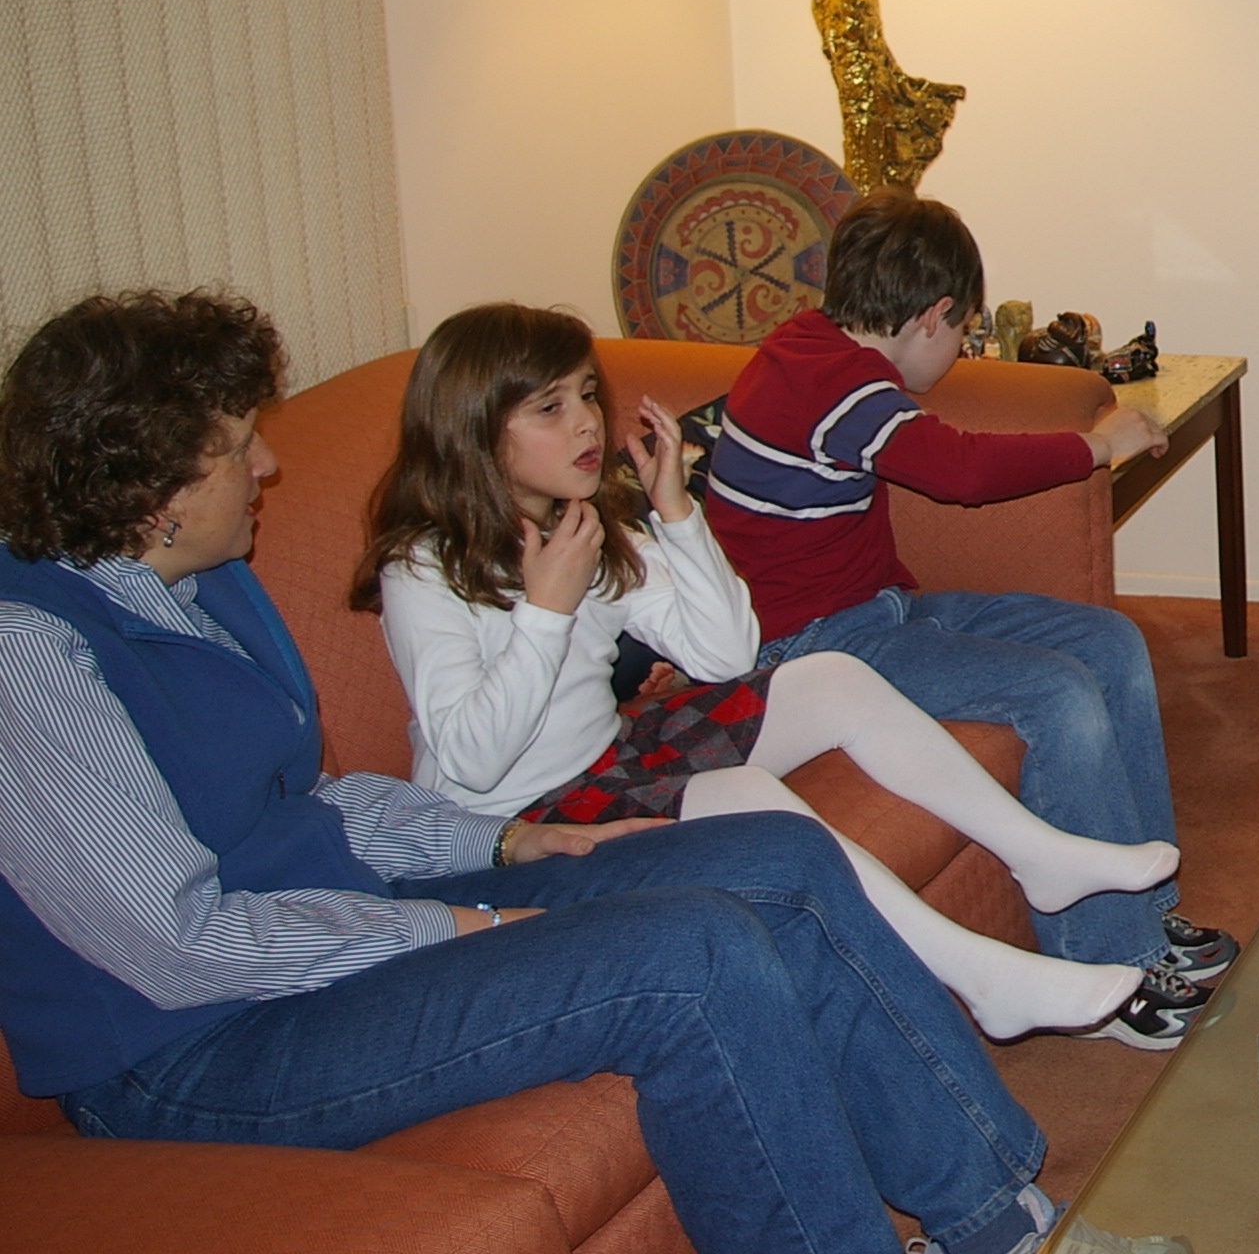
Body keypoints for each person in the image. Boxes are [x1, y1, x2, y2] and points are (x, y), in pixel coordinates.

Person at [0, 291, 1061, 1254]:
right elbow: (181, 944)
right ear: (153, 491)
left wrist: (504, 841)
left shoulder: (199, 583)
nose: (267, 466)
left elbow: (319, 801)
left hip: (341, 913)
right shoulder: (31, 652)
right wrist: (466, 924)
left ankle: (997, 1219)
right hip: (194, 1046)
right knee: (692, 954)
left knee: (779, 857)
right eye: (238, 447)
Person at [360, 303, 1174, 1043]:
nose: (585, 423)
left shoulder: (587, 531)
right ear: (475, 432)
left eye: (586, 395)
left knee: (829, 675)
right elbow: (472, 760)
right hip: (508, 828)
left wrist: (677, 514)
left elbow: (723, 654)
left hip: (610, 761)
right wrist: (546, 612)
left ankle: (1038, 855)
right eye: (550, 408)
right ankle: (986, 979)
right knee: (749, 797)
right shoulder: (425, 568)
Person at [705, 192, 1232, 1049]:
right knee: (1055, 695)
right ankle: (1110, 965)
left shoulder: (817, 349)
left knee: (1109, 641)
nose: (957, 352)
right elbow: (959, 472)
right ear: (933, 316)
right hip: (812, 646)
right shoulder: (836, 384)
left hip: (878, 611)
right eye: (962, 332)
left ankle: (1142, 910)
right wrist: (1099, 444)